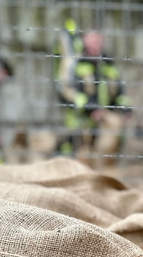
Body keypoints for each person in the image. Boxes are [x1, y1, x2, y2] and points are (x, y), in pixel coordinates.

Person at [54, 22, 130, 164]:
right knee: (75, 159)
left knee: (105, 158)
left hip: (103, 123)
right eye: (92, 40)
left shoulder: (110, 65)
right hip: (79, 122)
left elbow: (120, 92)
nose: (96, 44)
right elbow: (64, 89)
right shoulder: (75, 63)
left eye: (99, 40)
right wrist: (88, 106)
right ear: (84, 40)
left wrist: (125, 108)